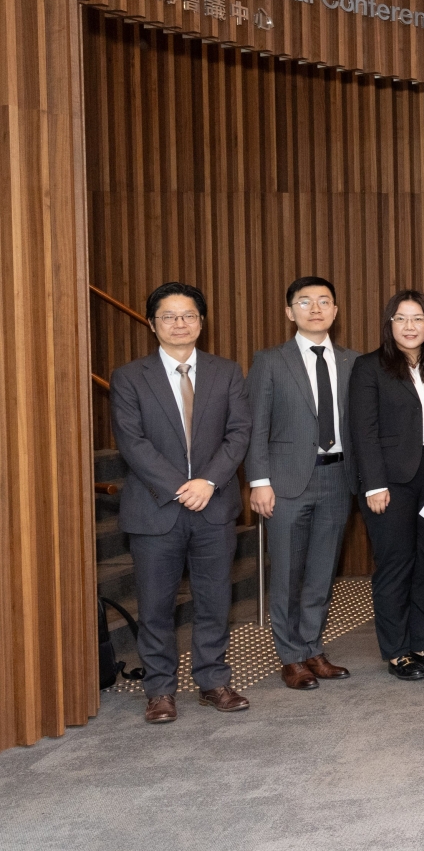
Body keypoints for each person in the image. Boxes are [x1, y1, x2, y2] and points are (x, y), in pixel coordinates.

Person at [110, 283, 253, 724]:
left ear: (201, 322)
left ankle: (213, 681)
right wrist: (181, 486)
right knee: (155, 604)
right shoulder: (130, 376)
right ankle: (160, 690)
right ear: (152, 324)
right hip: (155, 509)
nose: (179, 323)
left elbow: (239, 434)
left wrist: (207, 481)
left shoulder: (227, 372)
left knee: (213, 600)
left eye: (188, 315)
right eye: (169, 316)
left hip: (214, 505)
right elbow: (132, 443)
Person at [247, 276, 359, 690]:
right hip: (286, 481)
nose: (315, 308)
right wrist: (259, 481)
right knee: (288, 573)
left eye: (324, 301)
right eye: (305, 301)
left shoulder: (353, 361)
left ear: (335, 311)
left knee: (322, 570)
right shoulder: (270, 361)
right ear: (289, 312)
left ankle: (312, 647)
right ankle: (290, 656)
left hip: (338, 477)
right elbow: (255, 426)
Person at [347, 290, 424, 681]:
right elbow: (363, 431)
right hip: (389, 478)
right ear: (390, 324)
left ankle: (423, 642)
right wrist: (373, 484)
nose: (410, 326)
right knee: (395, 564)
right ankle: (396, 650)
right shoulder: (369, 367)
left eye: (418, 318)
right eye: (402, 319)